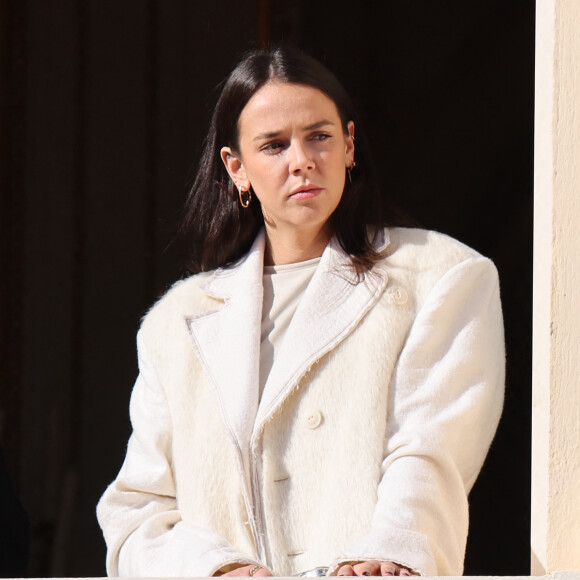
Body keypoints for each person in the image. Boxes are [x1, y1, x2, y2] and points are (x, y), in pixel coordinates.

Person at [97, 46, 504, 578]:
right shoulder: (176, 323)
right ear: (236, 168)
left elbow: (430, 451)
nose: (302, 160)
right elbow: (138, 509)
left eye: (320, 136)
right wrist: (217, 569)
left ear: (349, 145)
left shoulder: (441, 276)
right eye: (273, 145)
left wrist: (389, 553)